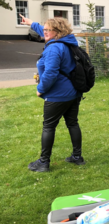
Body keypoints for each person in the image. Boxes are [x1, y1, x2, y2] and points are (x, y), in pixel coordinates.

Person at [19, 14, 85, 172]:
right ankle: (77, 157)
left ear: (58, 31)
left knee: (48, 127)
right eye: (45, 29)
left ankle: (43, 162)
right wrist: (30, 22)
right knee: (72, 123)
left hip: (58, 96)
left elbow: (50, 74)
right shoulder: (68, 42)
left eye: (49, 29)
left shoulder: (54, 48)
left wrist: (40, 89)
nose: (45, 32)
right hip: (73, 93)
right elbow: (43, 30)